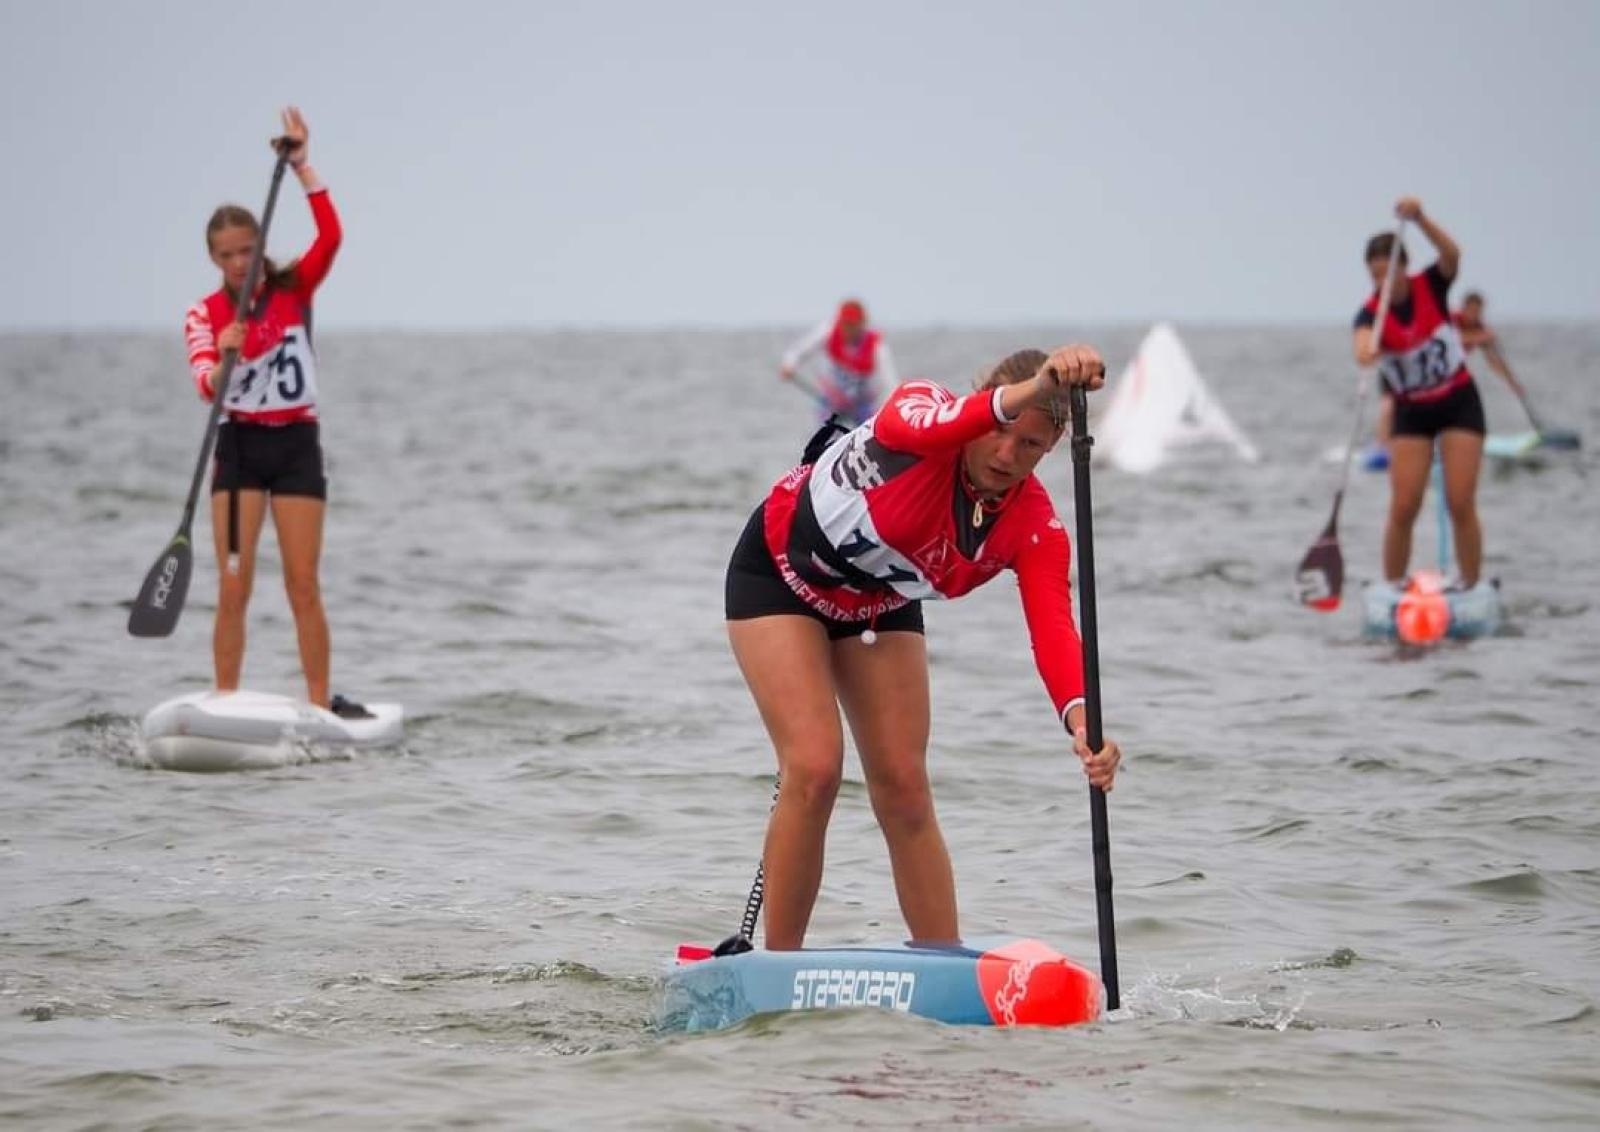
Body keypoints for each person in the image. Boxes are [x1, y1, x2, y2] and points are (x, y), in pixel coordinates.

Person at [725, 345, 1123, 950]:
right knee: (814, 767)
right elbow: (903, 424)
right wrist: (1034, 387)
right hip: (781, 576)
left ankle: (943, 969)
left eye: (1032, 448)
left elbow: (1053, 629)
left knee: (906, 784)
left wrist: (1083, 719)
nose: (1007, 456)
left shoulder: (1035, 526)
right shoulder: (921, 411)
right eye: (1000, 433)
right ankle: (778, 966)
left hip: (878, 603)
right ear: (982, 409)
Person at [183, 106, 365, 717]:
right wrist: (224, 359)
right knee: (234, 585)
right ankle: (225, 703)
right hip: (237, 451)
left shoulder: (294, 288)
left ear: (261, 245)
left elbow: (332, 238)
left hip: (295, 448)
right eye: (228, 255)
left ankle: (318, 707)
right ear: (216, 261)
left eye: (247, 249)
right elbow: (205, 382)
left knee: (303, 584)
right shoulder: (205, 315)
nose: (241, 261)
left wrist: (303, 169)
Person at [1352, 197, 1487, 591]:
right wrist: (1366, 351)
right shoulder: (1370, 315)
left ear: (1403, 269)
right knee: (1404, 505)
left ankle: (1471, 585)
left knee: (1459, 501)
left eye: (1389, 273)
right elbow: (1361, 345)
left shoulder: (1431, 284)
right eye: (1375, 276)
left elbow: (1451, 253)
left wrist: (1421, 219)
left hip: (1457, 400)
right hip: (1412, 412)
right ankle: (1393, 588)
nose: (1383, 283)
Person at [779, 298, 898, 425]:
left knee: (869, 433)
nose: (848, 329)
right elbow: (798, 351)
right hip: (831, 402)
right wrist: (789, 364)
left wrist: (893, 405)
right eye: (845, 323)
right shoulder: (827, 332)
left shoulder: (877, 346)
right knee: (826, 434)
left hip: (862, 404)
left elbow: (889, 380)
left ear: (862, 323)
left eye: (852, 324)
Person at [1453, 291, 1528, 401]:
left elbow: (1493, 360)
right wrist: (1482, 336)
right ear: (1464, 308)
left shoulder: (1480, 328)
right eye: (1472, 311)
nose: (1475, 315)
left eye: (1478, 312)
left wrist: (1511, 381)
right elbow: (1453, 338)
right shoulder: (1452, 318)